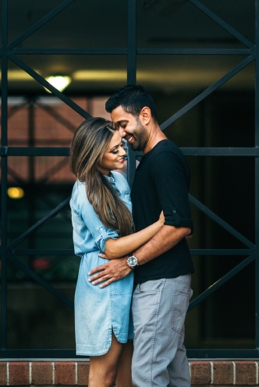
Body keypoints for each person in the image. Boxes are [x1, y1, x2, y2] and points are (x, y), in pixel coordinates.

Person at [89, 85, 195, 387]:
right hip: (163, 282)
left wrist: (129, 262)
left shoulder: (163, 159)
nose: (121, 134)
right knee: (173, 374)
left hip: (162, 282)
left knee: (147, 375)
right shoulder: (150, 160)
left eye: (123, 124)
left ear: (145, 115)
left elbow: (179, 226)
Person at [70, 117, 167, 387]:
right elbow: (111, 248)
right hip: (103, 284)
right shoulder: (84, 190)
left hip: (127, 281)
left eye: (121, 145)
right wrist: (159, 225)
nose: (123, 152)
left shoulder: (118, 180)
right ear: (93, 153)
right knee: (105, 374)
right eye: (114, 150)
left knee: (129, 376)